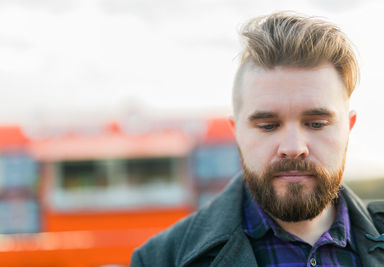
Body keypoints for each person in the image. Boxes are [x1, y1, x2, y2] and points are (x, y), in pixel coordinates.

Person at [131, 11, 384, 266]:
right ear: (237, 132)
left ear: (348, 128)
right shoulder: (160, 259)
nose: (293, 148)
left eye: (316, 124)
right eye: (268, 126)